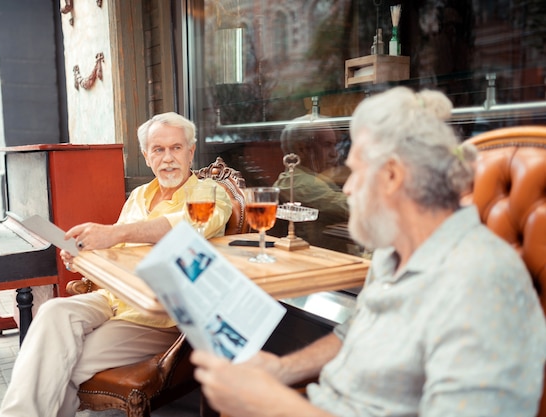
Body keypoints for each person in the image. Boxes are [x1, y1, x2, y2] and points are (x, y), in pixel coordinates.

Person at [191, 87, 546, 417]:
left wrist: (270, 403)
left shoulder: (483, 282)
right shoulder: (393, 253)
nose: (347, 188)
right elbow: (355, 333)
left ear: (392, 175)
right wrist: (280, 370)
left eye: (356, 172)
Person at [0, 112, 232, 417]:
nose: (168, 158)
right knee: (54, 311)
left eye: (176, 148)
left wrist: (114, 232)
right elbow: (115, 251)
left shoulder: (209, 194)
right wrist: (83, 257)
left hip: (157, 314)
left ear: (191, 151)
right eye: (158, 150)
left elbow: (187, 227)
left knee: (58, 365)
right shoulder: (138, 196)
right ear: (147, 157)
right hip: (111, 297)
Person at [272, 115, 352, 252]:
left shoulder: (308, 178)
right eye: (327, 145)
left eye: (335, 145)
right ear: (302, 149)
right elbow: (352, 208)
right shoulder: (302, 183)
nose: (335, 154)